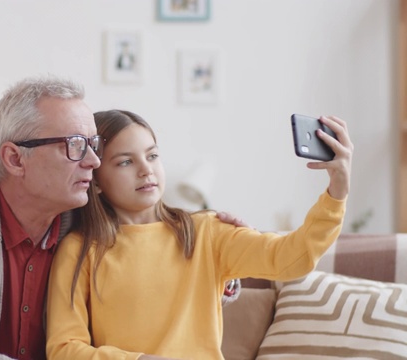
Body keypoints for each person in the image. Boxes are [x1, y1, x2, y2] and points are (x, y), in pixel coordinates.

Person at [0, 76, 248, 360]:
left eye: (94, 145)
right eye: (76, 145)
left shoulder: (90, 218)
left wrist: (217, 261)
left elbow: (151, 268)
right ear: (15, 159)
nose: (93, 161)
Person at [46, 110, 353, 359]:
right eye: (125, 162)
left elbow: (291, 258)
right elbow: (63, 349)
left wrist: (336, 191)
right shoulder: (79, 249)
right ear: (96, 181)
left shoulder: (207, 231)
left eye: (152, 156)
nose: (145, 170)